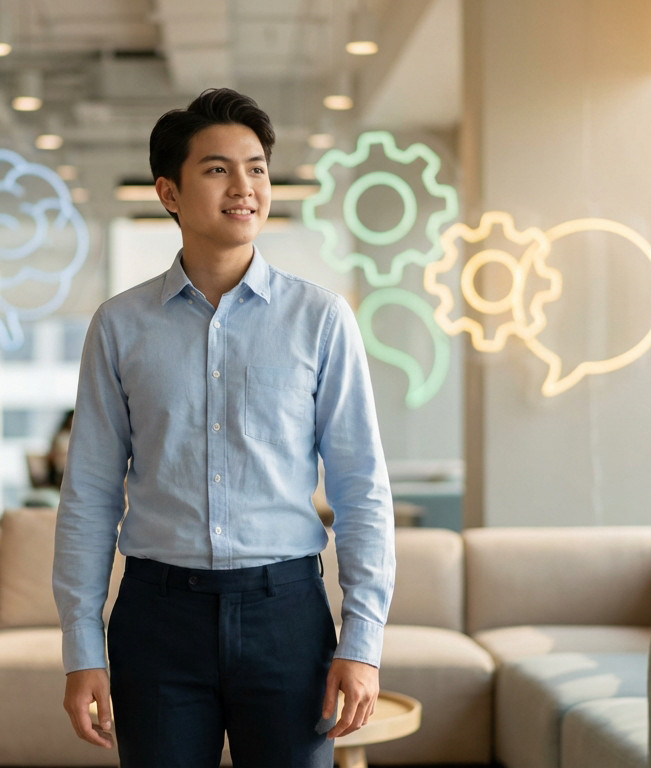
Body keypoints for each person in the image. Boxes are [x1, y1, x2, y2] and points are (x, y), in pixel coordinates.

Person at [53, 87, 395, 767]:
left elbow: (362, 487)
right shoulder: (120, 327)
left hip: (288, 615)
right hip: (157, 617)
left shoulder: (320, 320)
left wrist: (361, 641)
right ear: (169, 192)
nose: (244, 186)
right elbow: (89, 494)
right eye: (217, 169)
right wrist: (81, 651)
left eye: (257, 168)